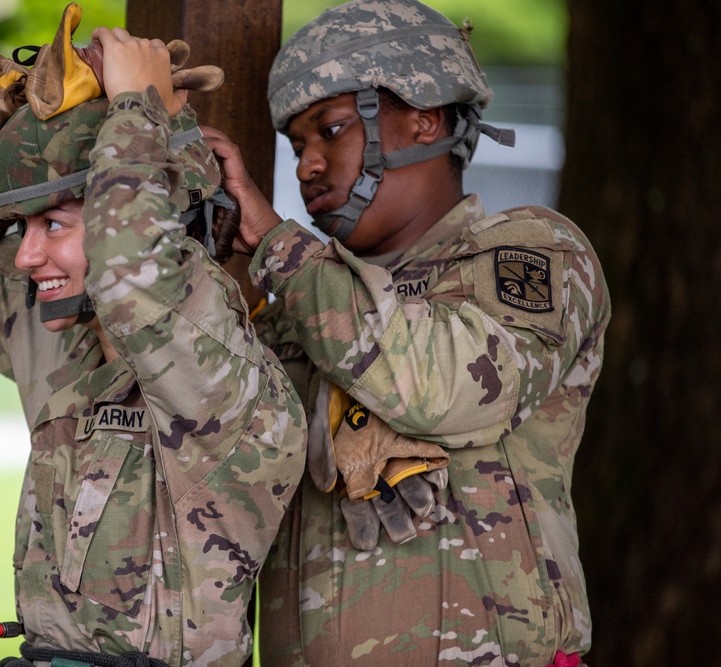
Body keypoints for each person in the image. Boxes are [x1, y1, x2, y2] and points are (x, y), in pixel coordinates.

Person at [203, 0, 611, 665]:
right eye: (297, 145)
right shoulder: (299, 304)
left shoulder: (533, 252)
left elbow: (439, 383)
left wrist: (278, 247)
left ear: (424, 116)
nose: (307, 166)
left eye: (330, 130)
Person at [0, 16, 305, 667]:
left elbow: (134, 273)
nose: (28, 255)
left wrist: (136, 107)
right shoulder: (64, 339)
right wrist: (16, 137)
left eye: (54, 223)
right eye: (22, 227)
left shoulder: (221, 374)